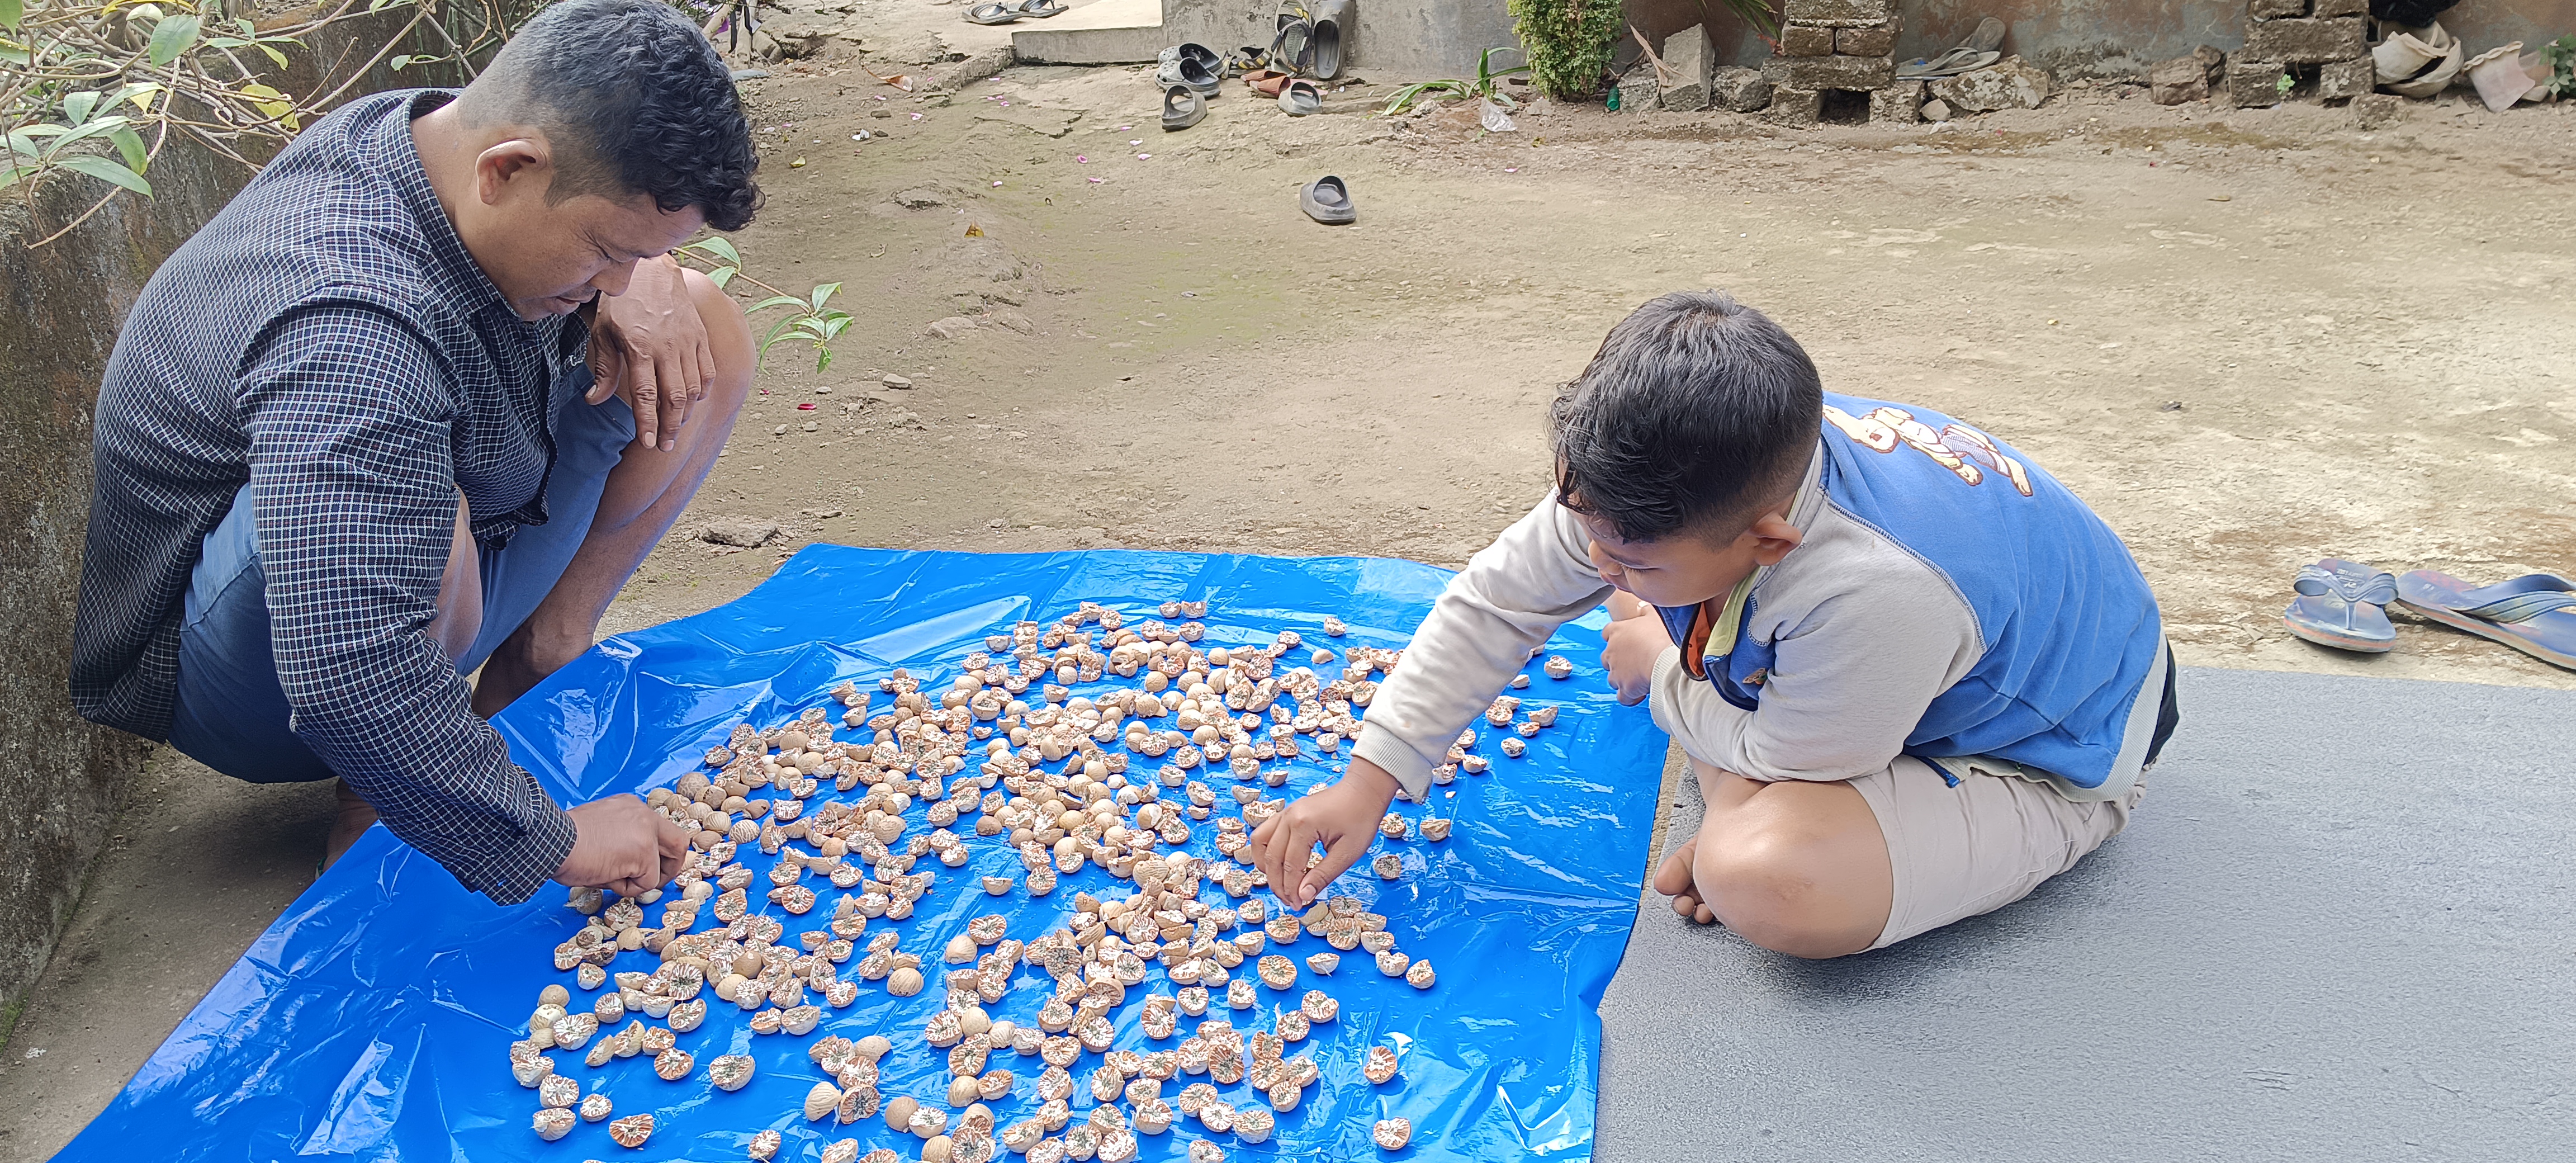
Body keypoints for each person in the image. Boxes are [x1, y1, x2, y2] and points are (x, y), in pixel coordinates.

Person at [70, 0, 762, 905]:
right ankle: (377, 799)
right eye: (605, 250)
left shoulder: (435, 139)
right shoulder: (353, 328)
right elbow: (342, 669)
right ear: (507, 170)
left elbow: (620, 266)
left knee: (697, 323)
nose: (618, 280)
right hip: (256, 671)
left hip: (393, 570)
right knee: (419, 507)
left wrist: (650, 273)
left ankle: (542, 653)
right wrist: (552, 837)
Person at [1251, 291, 2179, 957]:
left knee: (1764, 879)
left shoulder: (1875, 588)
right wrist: (1369, 780)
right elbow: (1497, 599)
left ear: (1769, 541)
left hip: (2056, 753)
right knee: (1643, 605)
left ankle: (1711, 683)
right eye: (1588, 531)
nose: (1600, 560)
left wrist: (1664, 667)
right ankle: (1710, 663)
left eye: (1634, 558)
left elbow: (1795, 755)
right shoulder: (1674, 473)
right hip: (1872, 674)